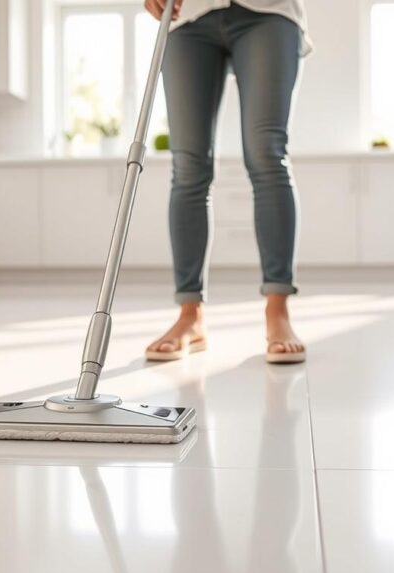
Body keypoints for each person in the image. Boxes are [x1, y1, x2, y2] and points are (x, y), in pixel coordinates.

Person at [143, 0, 311, 364]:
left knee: (267, 155)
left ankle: (277, 310)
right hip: (188, 16)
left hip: (269, 11)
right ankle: (190, 315)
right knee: (188, 167)